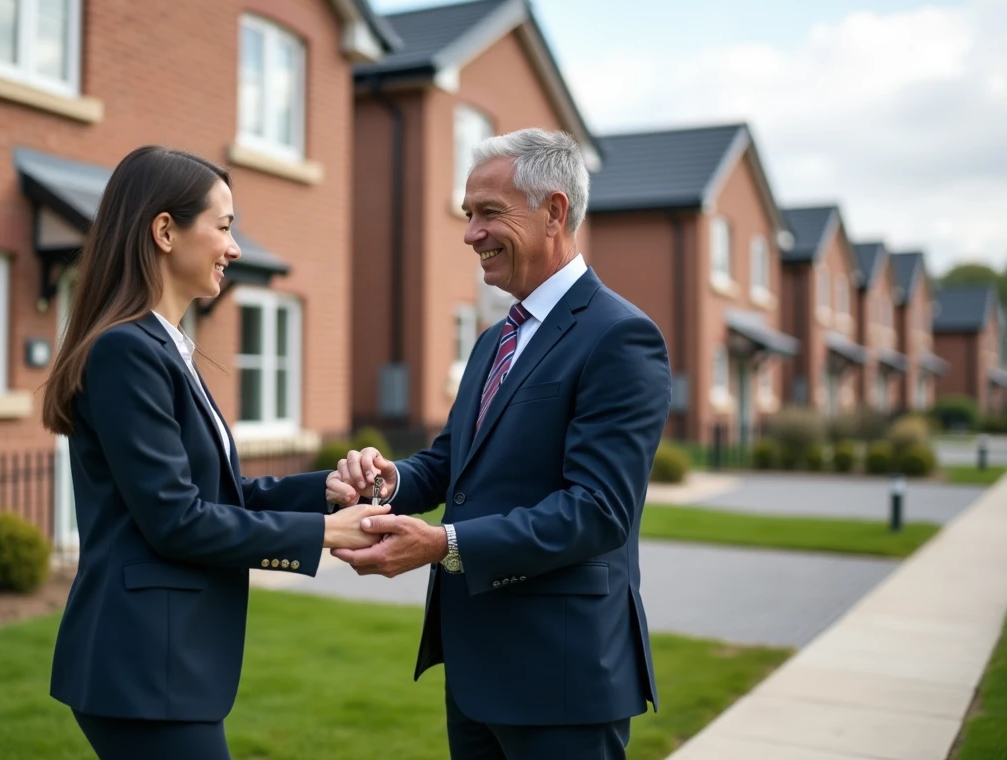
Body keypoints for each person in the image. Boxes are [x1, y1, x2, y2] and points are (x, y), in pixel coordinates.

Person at [327, 128, 672, 759]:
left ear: (555, 213)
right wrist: (387, 479)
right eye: (468, 215)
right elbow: (452, 462)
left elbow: (598, 512)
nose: (470, 234)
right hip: (476, 666)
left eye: (489, 213)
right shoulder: (495, 339)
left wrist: (444, 545)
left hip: (562, 675)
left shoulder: (622, 338)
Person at [41, 145, 388, 760]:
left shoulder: (163, 346)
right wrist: (327, 534)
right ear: (165, 231)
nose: (234, 247)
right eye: (225, 227)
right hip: (144, 666)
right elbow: (176, 520)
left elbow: (220, 494)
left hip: (163, 667)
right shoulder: (128, 351)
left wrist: (328, 491)